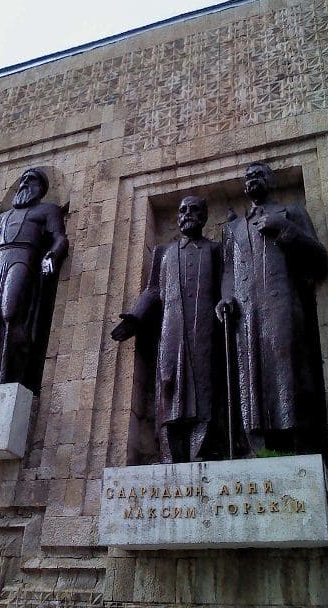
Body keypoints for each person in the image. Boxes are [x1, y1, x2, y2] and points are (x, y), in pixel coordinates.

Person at [216, 162, 328, 455]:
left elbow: (319, 260)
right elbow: (228, 272)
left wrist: (285, 229)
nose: (253, 179)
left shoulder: (291, 213)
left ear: (273, 182)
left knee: (288, 373)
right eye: (249, 176)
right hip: (246, 315)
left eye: (260, 174)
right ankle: (257, 448)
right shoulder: (233, 228)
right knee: (249, 380)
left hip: (283, 307)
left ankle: (296, 445)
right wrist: (225, 298)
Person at [112, 196, 222, 463]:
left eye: (194, 210)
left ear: (204, 217)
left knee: (205, 384)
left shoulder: (215, 249)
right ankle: (169, 453)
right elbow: (152, 291)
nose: (187, 214)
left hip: (205, 328)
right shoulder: (164, 252)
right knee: (168, 383)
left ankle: (202, 450)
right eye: (182, 210)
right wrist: (135, 319)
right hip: (171, 328)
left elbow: (226, 284)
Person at [0, 168, 68, 388]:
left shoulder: (48, 210)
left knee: (10, 313)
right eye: (23, 179)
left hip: (24, 257)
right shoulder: (4, 217)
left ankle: (18, 372)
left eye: (31, 180)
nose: (25, 183)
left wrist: (52, 255)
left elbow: (60, 238)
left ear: (41, 188)